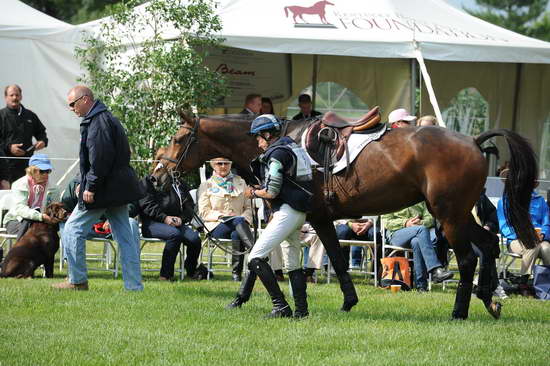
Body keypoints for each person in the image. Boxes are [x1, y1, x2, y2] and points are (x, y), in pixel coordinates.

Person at [52, 85, 143, 291]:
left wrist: (90, 186)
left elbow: (100, 159)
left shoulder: (98, 122)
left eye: (72, 104)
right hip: (117, 189)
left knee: (72, 230)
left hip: (104, 189)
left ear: (85, 100)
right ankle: (134, 286)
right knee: (125, 238)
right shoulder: (105, 118)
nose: (71, 108)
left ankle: (77, 281)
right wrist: (82, 182)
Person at [227, 114, 312, 318]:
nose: (258, 142)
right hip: (299, 213)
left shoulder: (276, 154)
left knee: (255, 257)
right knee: (293, 263)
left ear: (267, 134)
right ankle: (301, 311)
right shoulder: (293, 147)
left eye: (258, 137)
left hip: (287, 212)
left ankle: (281, 306)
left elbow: (272, 192)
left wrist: (253, 192)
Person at [139, 170, 204, 281]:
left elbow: (189, 206)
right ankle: (165, 275)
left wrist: (181, 219)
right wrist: (164, 218)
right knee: (174, 234)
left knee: (195, 239)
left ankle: (191, 271)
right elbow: (146, 205)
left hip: (176, 222)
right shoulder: (147, 181)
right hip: (152, 223)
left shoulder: (178, 183)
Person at [198, 157, 254, 281]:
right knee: (237, 221)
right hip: (216, 226)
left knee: (237, 234)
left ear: (231, 164)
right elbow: (203, 212)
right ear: (213, 165)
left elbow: (249, 208)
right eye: (219, 163)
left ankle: (236, 274)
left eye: (226, 163)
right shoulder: (206, 185)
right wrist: (222, 216)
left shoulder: (241, 182)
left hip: (239, 225)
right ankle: (255, 253)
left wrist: (244, 219)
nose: (223, 166)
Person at [382, 201, 453, 291]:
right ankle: (435, 270)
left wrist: (420, 222)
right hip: (396, 234)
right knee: (422, 230)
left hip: (417, 233)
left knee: (417, 242)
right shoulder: (392, 197)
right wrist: (405, 223)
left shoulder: (419, 197)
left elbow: (430, 218)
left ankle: (421, 286)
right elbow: (386, 221)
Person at [497, 176, 550, 291]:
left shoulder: (540, 200)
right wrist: (522, 235)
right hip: (516, 240)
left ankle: (545, 285)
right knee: (531, 245)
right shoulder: (505, 202)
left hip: (539, 239)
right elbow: (504, 226)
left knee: (547, 249)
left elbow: (547, 222)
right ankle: (523, 282)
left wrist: (544, 234)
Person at [0, 85, 48, 183]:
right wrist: (9, 147)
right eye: (11, 95)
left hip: (27, 167)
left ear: (21, 96)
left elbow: (41, 132)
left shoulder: (30, 115)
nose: (14, 97)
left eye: (17, 95)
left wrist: (42, 141)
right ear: (6, 97)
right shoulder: (1, 116)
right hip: (5, 168)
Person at [3, 154, 59, 237]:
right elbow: (20, 209)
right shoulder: (20, 184)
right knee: (32, 227)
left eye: (48, 171)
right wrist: (40, 217)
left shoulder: (53, 188)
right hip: (15, 220)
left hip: (42, 221)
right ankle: (20, 249)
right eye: (42, 171)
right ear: (32, 171)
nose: (46, 174)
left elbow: (55, 206)